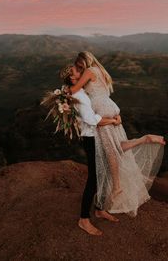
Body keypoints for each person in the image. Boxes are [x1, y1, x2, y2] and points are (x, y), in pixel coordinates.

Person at [69, 51, 165, 217]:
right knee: (116, 146)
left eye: (79, 66)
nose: (78, 70)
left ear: (84, 62)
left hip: (102, 111)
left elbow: (73, 90)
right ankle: (144, 139)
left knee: (111, 150)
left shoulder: (90, 71)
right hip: (111, 107)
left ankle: (117, 186)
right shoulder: (101, 71)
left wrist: (63, 91)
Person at [60, 64, 121, 236]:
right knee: (94, 177)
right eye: (76, 71)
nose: (81, 72)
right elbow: (90, 119)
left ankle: (100, 209)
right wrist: (112, 121)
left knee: (104, 172)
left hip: (96, 136)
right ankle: (84, 219)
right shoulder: (78, 95)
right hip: (91, 138)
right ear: (72, 78)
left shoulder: (80, 90)